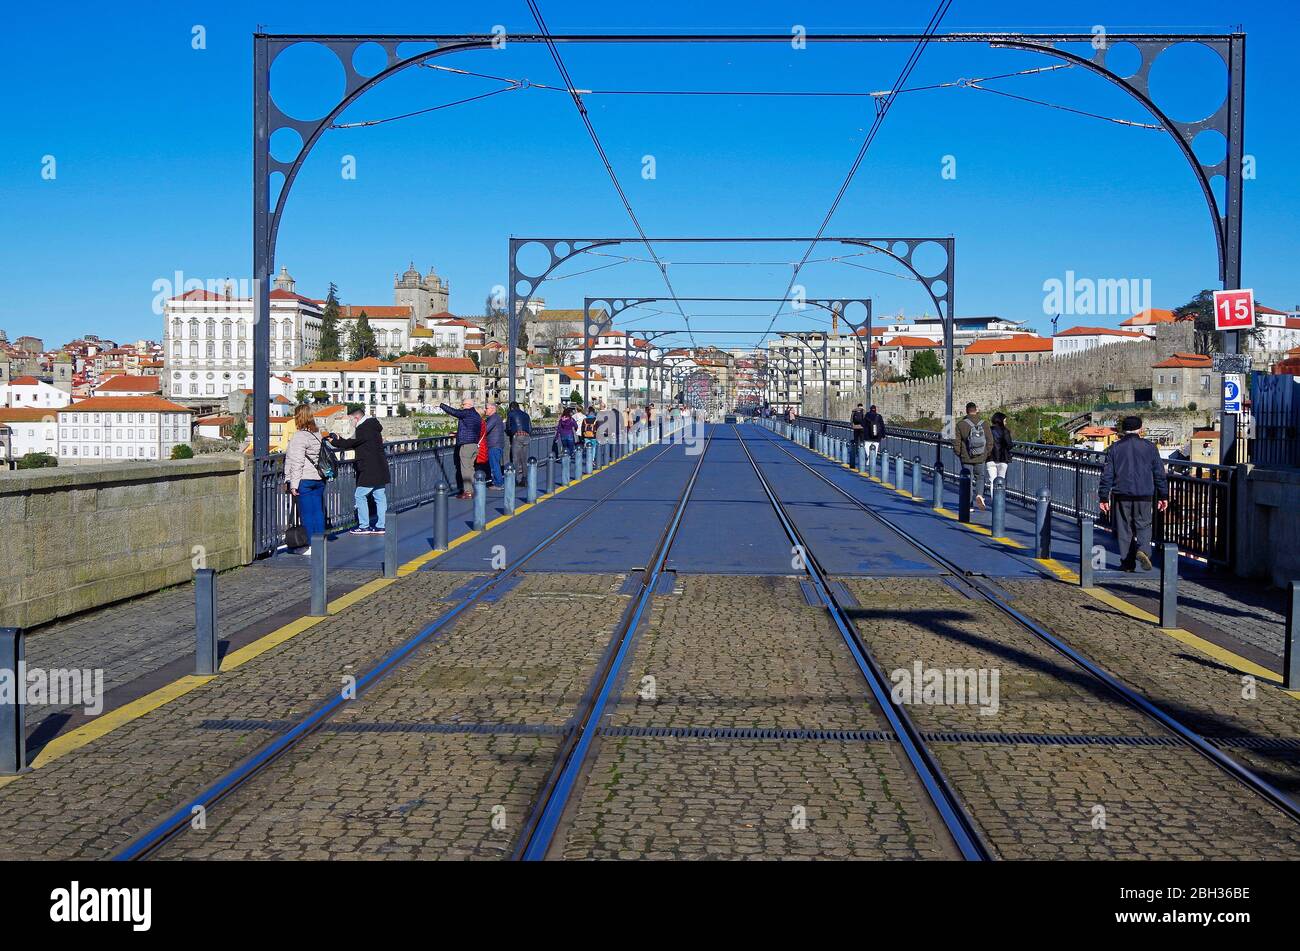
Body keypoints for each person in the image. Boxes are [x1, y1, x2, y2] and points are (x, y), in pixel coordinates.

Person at [1099, 416, 1169, 572]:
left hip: (1121, 494)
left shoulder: (1114, 448)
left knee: (1124, 529)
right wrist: (1163, 495)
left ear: (1123, 430)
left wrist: (1104, 497)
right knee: (1144, 524)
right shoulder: (1150, 447)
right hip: (1144, 494)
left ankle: (1127, 563)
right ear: (1140, 429)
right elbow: (1159, 473)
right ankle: (1143, 550)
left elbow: (1107, 475)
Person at [328, 404, 390, 535]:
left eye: (351, 420)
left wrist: (334, 441)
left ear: (356, 418)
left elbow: (349, 443)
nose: (350, 423)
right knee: (379, 495)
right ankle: (382, 525)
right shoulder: (373, 425)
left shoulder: (363, 429)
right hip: (380, 466)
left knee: (360, 495)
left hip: (369, 468)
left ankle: (364, 526)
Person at [284, 404, 327, 554]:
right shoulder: (317, 434)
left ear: (298, 417)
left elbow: (297, 462)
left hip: (305, 479)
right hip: (319, 478)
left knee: (307, 514)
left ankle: (309, 545)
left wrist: (293, 484)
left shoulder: (299, 436)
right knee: (317, 512)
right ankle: (320, 542)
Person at [439, 397, 482, 500]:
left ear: (467, 405)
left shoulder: (467, 413)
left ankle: (468, 492)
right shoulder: (476, 415)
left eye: (462, 405)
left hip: (466, 445)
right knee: (471, 468)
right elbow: (470, 428)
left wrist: (442, 405)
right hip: (474, 445)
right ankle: (473, 489)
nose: (461, 407)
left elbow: (454, 412)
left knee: (465, 469)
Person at [954, 401, 992, 510]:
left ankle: (969, 504)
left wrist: (959, 453)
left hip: (966, 457)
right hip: (981, 457)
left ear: (966, 411)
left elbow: (956, 441)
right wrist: (986, 453)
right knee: (980, 477)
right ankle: (979, 495)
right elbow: (990, 440)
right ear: (976, 410)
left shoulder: (961, 424)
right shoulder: (984, 423)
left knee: (967, 480)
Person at [986, 411, 1014, 498]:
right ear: (1001, 420)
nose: (1006, 423)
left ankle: (994, 501)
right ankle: (1000, 500)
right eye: (1005, 421)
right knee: (1001, 481)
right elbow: (1009, 444)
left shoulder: (988, 430)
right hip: (1003, 458)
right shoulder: (1005, 431)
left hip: (990, 458)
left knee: (992, 481)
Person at [505, 400, 532, 486]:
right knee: (524, 459)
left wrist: (511, 434)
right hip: (527, 436)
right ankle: (525, 479)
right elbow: (530, 428)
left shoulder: (511, 414)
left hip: (517, 436)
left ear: (511, 408)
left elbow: (508, 427)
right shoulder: (526, 415)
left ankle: (515, 479)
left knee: (515, 459)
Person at [482, 403, 505, 488]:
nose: (485, 410)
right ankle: (497, 482)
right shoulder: (495, 418)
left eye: (487, 408)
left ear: (492, 409)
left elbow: (485, 429)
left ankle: (499, 483)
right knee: (495, 464)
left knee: (495, 465)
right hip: (496, 444)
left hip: (494, 445)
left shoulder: (494, 418)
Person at [862, 404, 885, 472]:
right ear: (875, 410)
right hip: (877, 436)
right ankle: (871, 461)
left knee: (867, 447)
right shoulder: (879, 416)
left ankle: (869, 458)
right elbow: (882, 426)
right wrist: (883, 435)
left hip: (867, 436)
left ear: (870, 409)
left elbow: (863, 424)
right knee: (875, 449)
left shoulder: (867, 416)